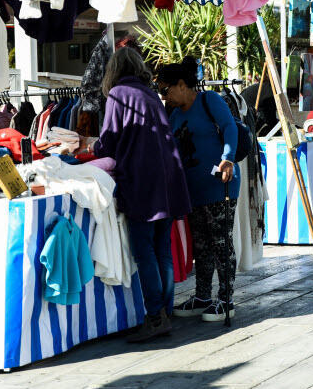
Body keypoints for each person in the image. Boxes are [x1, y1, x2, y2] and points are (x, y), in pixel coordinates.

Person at [84, 47, 192, 343]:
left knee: (145, 251)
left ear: (113, 70)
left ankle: (155, 316)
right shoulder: (148, 93)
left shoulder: (118, 95)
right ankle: (164, 313)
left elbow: (109, 142)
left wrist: (89, 147)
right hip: (167, 178)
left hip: (143, 180)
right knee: (162, 251)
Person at [159, 58, 241, 323]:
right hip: (192, 190)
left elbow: (229, 127)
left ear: (182, 85)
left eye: (166, 90)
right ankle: (203, 296)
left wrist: (227, 157)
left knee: (220, 242)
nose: (165, 96)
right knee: (201, 245)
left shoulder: (210, 101)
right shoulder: (174, 114)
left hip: (219, 184)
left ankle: (226, 299)